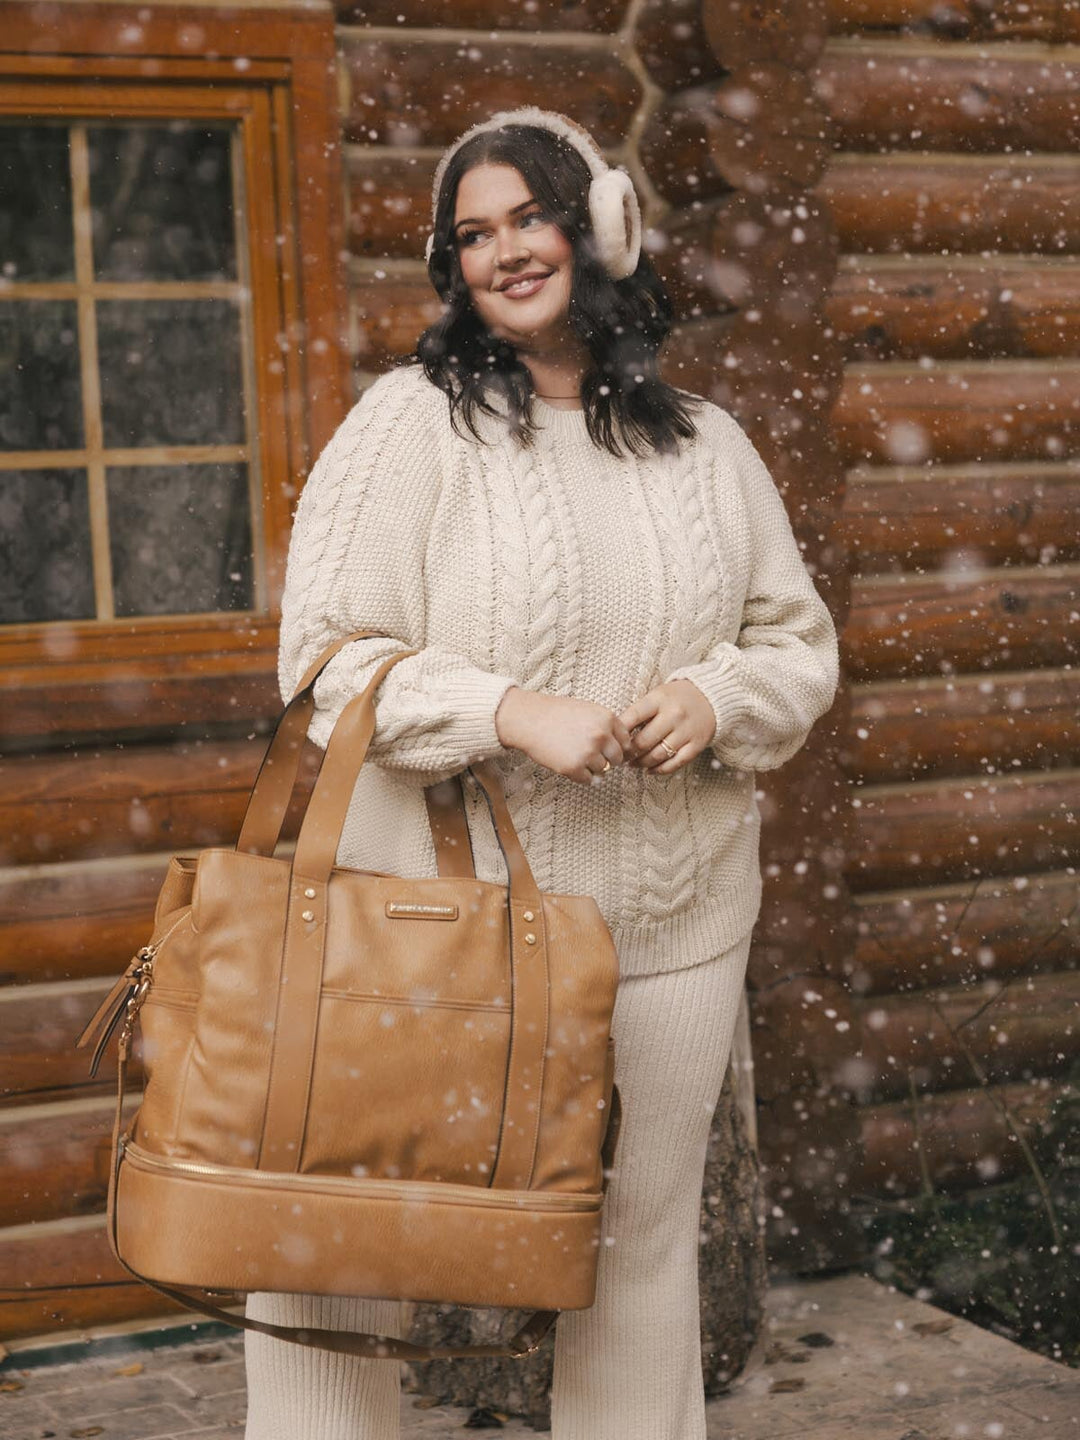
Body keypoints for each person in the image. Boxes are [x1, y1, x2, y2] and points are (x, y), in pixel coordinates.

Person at [243, 105, 839, 1440]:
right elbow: (324, 660)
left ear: (599, 225)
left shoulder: (707, 448)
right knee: (348, 1249)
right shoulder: (409, 429)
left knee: (633, 1255)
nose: (505, 251)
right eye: (472, 233)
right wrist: (511, 712)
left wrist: (717, 694)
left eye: (528, 216)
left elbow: (797, 648)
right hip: (439, 936)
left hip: (672, 930)